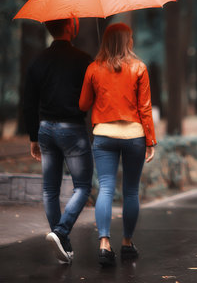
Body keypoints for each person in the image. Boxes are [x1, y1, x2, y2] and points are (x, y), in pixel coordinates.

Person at [79, 23, 156, 266]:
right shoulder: (139, 68)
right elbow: (144, 107)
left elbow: (83, 104)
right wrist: (150, 141)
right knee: (131, 191)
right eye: (130, 38)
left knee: (106, 188)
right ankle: (126, 243)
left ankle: (103, 244)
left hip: (104, 136)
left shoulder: (93, 68)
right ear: (127, 42)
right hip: (134, 136)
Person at [23, 17, 94, 265]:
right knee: (83, 186)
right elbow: (94, 95)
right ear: (70, 27)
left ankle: (61, 243)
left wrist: (33, 136)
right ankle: (61, 232)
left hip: (45, 129)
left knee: (49, 190)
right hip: (72, 128)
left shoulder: (37, 61)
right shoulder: (84, 59)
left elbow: (29, 103)